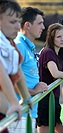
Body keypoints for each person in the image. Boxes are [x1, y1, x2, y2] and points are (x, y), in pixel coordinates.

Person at [36, 23, 63, 133]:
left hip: (54, 96)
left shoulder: (60, 52)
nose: (62, 39)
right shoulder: (47, 52)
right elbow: (55, 73)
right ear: (52, 38)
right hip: (45, 96)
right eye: (59, 37)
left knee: (60, 128)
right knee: (45, 128)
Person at [13, 7, 48, 133]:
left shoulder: (28, 46)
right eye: (40, 23)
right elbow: (8, 80)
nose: (43, 27)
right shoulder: (19, 45)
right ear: (27, 25)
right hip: (19, 114)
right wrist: (33, 91)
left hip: (29, 111)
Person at [0, 1, 32, 132]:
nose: (18, 27)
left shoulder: (9, 43)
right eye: (12, 22)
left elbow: (18, 71)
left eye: (19, 22)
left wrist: (26, 97)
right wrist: (14, 102)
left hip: (2, 115)